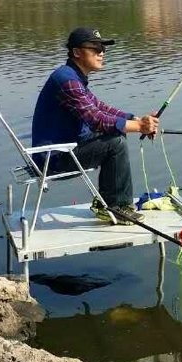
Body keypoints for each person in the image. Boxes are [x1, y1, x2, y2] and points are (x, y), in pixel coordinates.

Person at [31, 27, 159, 223]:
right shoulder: (67, 80)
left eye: (103, 49)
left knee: (116, 135)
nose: (101, 53)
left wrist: (137, 119)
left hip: (68, 148)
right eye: (95, 48)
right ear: (76, 52)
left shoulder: (73, 77)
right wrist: (139, 127)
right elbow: (97, 120)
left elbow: (100, 107)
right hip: (53, 159)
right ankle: (116, 207)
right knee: (115, 141)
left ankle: (110, 202)